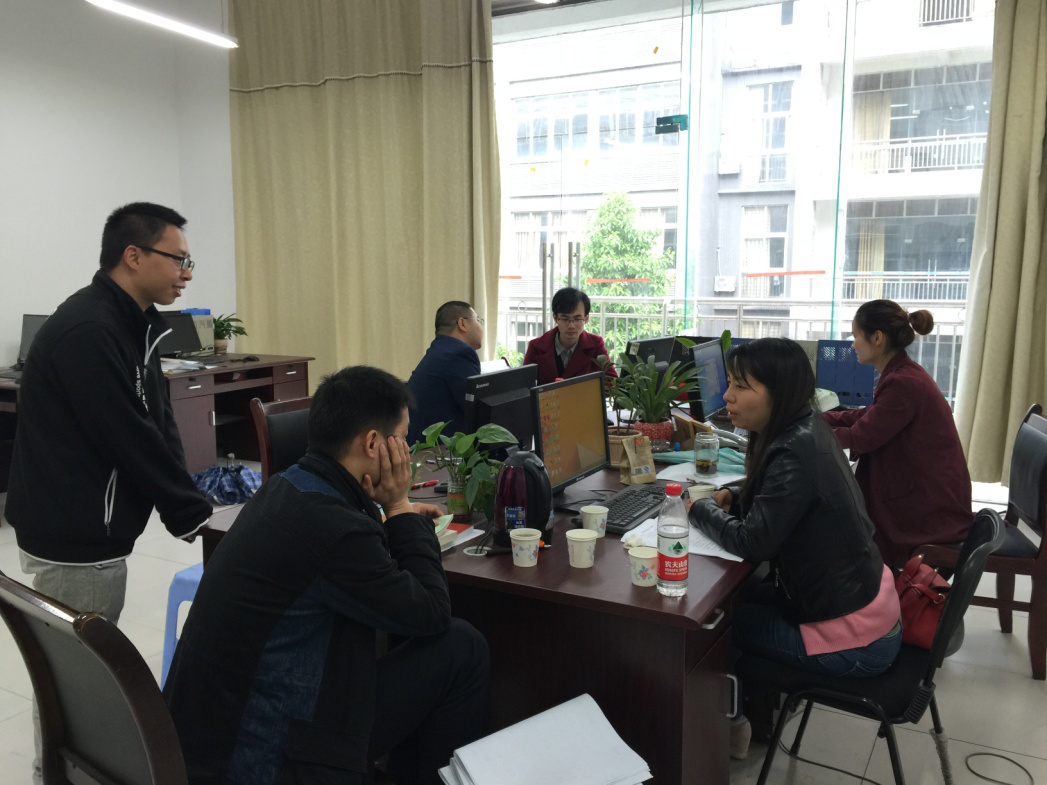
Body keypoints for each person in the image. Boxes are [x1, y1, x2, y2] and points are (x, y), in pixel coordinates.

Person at [164, 366, 490, 785]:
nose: (406, 454)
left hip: (208, 743)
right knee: (462, 647)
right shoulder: (334, 528)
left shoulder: (287, 486)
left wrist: (394, 518)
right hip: (268, 756)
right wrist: (399, 508)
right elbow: (431, 611)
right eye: (402, 440)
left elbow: (335, 557)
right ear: (372, 443)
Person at [4, 202, 214, 785]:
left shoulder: (134, 321)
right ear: (134, 256)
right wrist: (189, 512)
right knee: (81, 679)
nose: (187, 273)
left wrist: (189, 501)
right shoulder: (89, 330)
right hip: (75, 531)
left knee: (80, 669)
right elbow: (126, 434)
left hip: (92, 522)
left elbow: (157, 421)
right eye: (178, 259)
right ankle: (61, 771)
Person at [687, 338, 901, 759]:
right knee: (734, 600)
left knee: (713, 627)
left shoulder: (793, 451)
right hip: (861, 605)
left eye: (740, 386)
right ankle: (743, 715)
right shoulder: (804, 429)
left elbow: (752, 543)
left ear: (778, 392)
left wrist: (700, 510)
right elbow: (783, 498)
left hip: (857, 640)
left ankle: (730, 727)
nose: (727, 396)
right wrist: (736, 497)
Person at [822, 300, 972, 569]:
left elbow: (860, 437)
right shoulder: (901, 373)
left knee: (831, 527)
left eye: (856, 336)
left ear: (877, 338)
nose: (853, 345)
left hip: (929, 510)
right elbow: (868, 417)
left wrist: (804, 431)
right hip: (927, 494)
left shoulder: (903, 382)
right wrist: (817, 418)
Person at [407, 300, 483, 444]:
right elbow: (477, 411)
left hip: (419, 445)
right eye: (478, 320)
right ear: (462, 324)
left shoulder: (441, 350)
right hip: (437, 451)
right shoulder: (460, 353)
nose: (481, 327)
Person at [524, 287, 618, 385]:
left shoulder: (596, 344)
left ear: (586, 318)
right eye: (565, 319)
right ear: (555, 318)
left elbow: (612, 383)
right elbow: (523, 386)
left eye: (577, 319)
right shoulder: (536, 346)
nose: (571, 326)